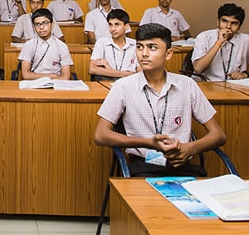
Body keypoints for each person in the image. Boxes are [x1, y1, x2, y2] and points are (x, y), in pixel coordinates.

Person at [94, 23, 226, 177]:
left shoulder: (187, 85)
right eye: (139, 47)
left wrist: (190, 148)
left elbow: (218, 135)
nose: (144, 53)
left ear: (168, 53)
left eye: (152, 47)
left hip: (181, 164)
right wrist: (148, 143)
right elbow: (100, 135)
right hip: (143, 165)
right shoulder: (123, 86)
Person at [192, 3, 249, 81]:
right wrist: (219, 42)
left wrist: (245, 74)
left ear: (239, 27)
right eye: (224, 21)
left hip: (234, 86)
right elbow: (198, 69)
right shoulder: (204, 37)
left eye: (234, 23)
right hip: (207, 83)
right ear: (218, 22)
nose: (228, 26)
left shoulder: (246, 40)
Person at [18, 8, 73, 80]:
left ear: (52, 24)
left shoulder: (62, 46)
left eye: (45, 23)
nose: (41, 27)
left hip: (56, 85)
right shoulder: (29, 45)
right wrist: (53, 76)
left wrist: (50, 81)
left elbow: (66, 76)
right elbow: (26, 75)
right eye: (37, 24)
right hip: (34, 84)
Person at [89, 9, 139, 80]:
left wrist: (108, 67)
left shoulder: (135, 44)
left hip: (131, 84)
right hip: (107, 84)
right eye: (110, 24)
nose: (113, 29)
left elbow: (140, 73)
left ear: (126, 26)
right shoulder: (102, 42)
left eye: (117, 24)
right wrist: (125, 74)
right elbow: (92, 69)